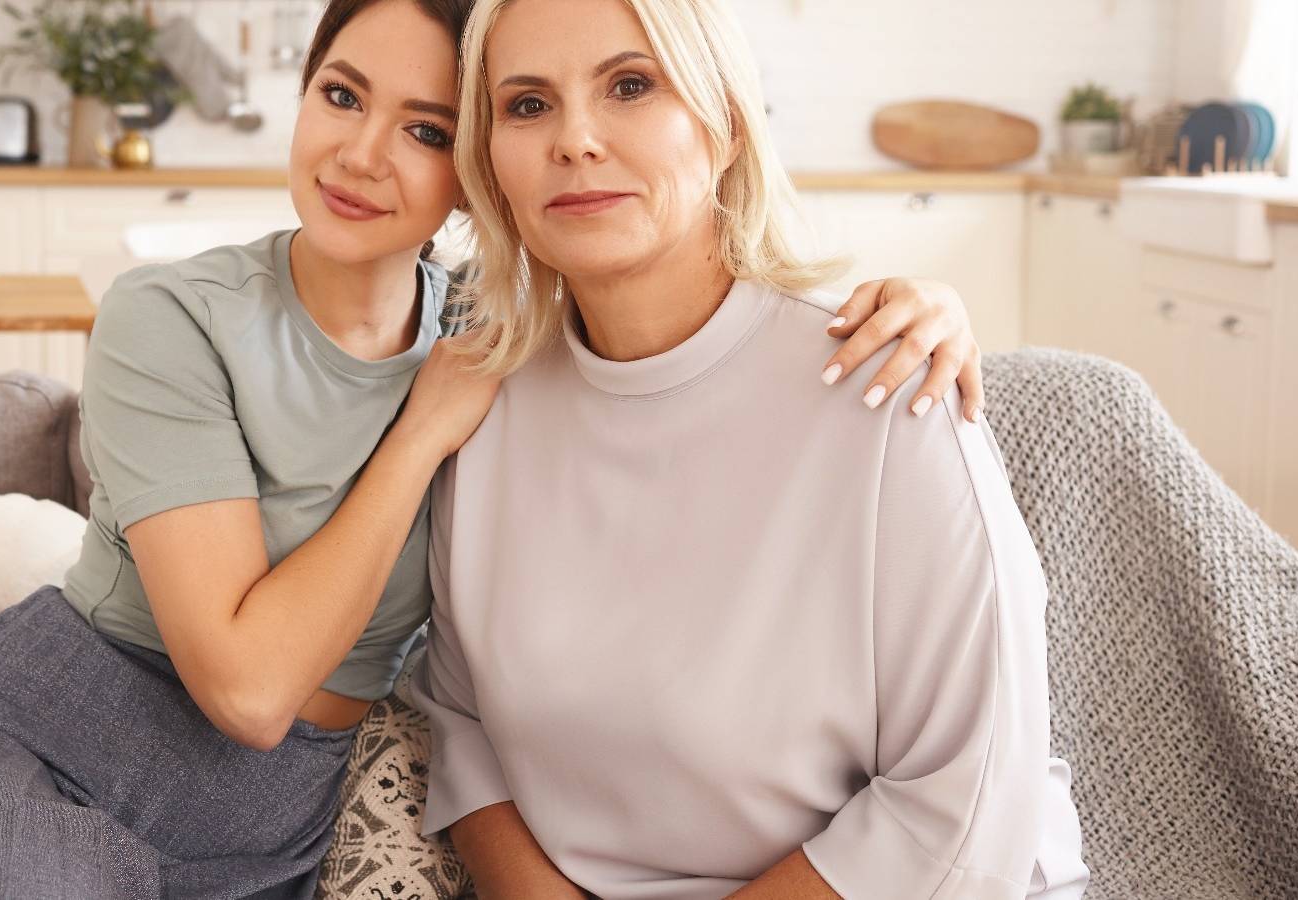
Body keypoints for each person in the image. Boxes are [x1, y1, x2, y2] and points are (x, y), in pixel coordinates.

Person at [0, 0, 996, 897]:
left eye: (421, 128)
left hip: (274, 815)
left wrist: (927, 304)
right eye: (340, 94)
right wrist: (418, 436)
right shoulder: (183, 319)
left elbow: (696, 344)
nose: (359, 154)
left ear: (471, 176)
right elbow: (246, 689)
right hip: (57, 732)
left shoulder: (509, 336)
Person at [408, 0, 1091, 898]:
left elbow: (964, 803)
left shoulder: (889, 389)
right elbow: (460, 721)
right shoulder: (484, 406)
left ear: (725, 121)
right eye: (527, 105)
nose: (574, 139)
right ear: (489, 162)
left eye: (629, 85)